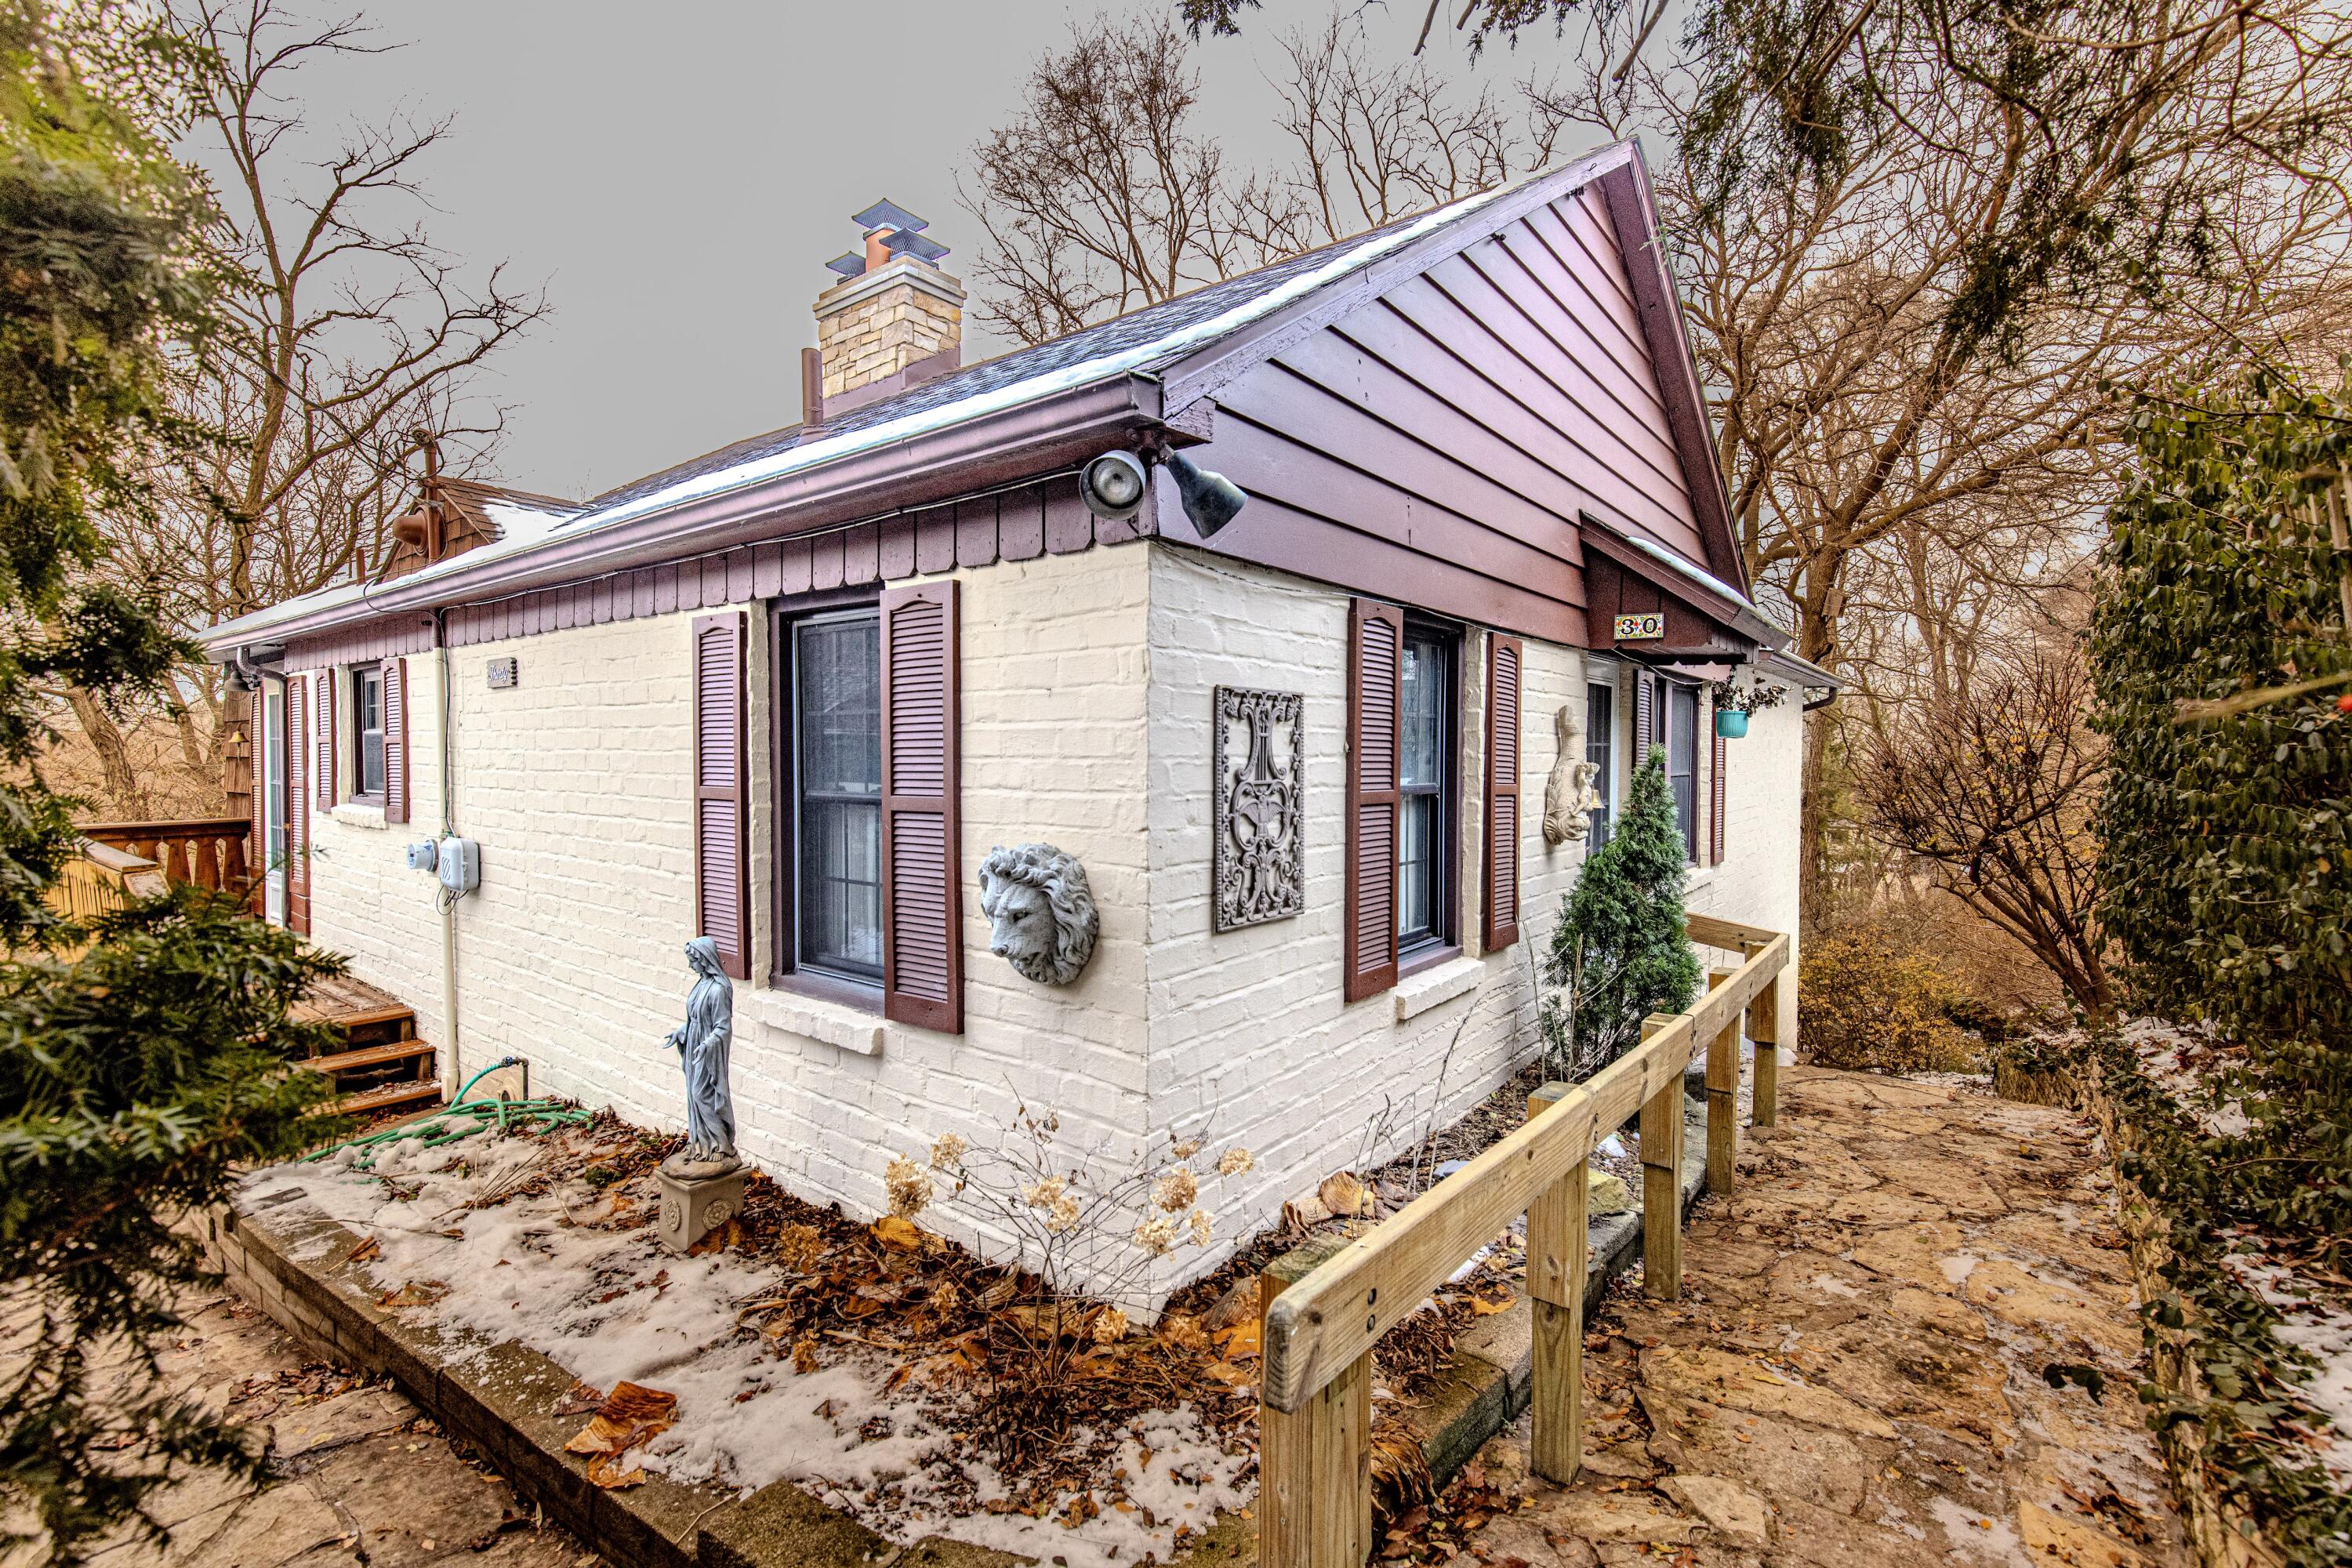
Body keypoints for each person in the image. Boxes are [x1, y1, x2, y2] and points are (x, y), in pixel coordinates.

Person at [665, 936, 738, 1172]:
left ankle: (721, 1144)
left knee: (702, 1094)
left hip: (708, 1050)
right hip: (694, 1044)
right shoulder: (700, 984)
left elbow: (723, 1027)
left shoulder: (718, 990)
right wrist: (682, 1031)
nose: (690, 965)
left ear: (704, 960)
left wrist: (707, 1045)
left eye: (693, 961)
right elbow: (695, 1018)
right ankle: (701, 1143)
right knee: (692, 1094)